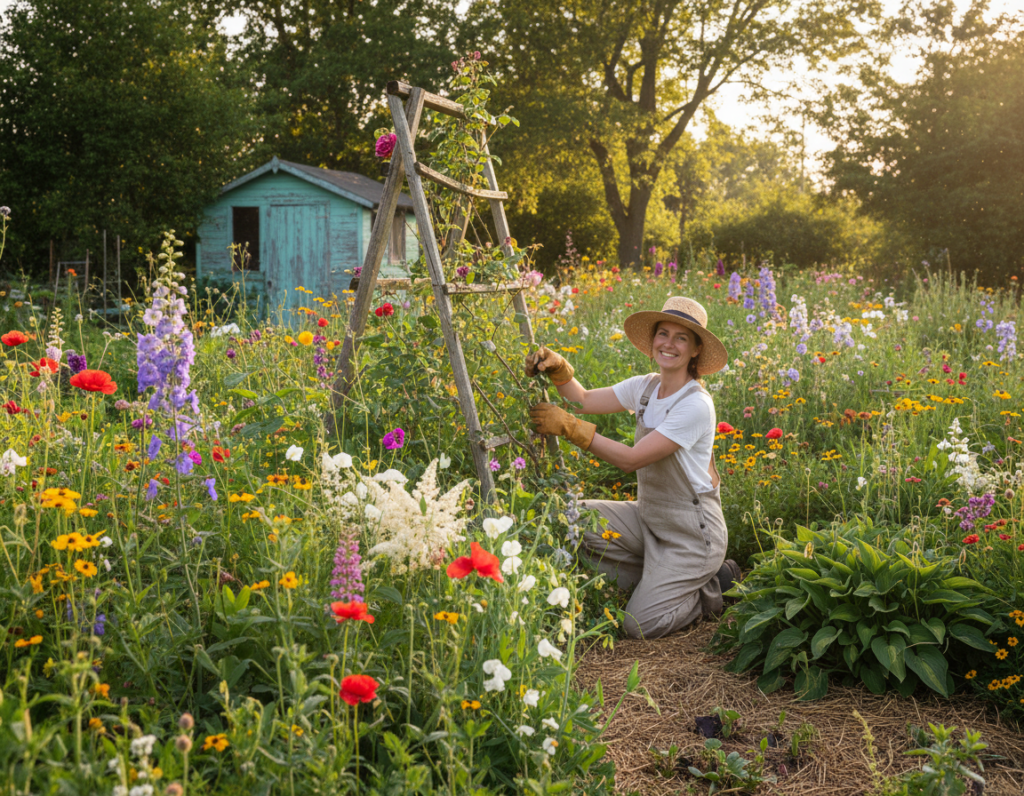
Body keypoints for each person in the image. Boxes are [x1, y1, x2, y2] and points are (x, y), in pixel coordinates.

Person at [527, 296, 739, 639]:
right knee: (569, 517)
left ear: (696, 349)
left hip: (692, 536)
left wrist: (570, 428)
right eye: (663, 333)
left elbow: (631, 459)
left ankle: (712, 587)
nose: (669, 344)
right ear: (652, 340)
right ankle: (659, 578)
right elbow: (583, 400)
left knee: (638, 625)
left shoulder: (696, 405)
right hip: (650, 519)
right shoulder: (646, 387)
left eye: (681, 338)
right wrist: (559, 369)